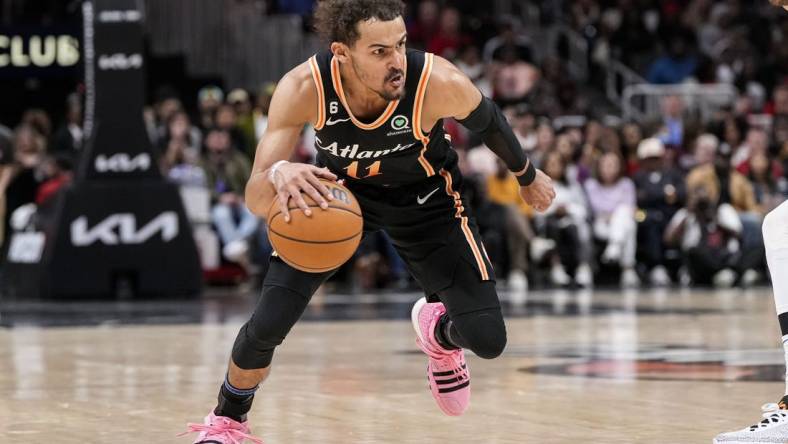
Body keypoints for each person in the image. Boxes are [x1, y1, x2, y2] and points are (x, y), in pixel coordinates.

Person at [182, 1, 555, 442]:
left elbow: (489, 120)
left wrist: (527, 176)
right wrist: (280, 173)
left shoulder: (435, 80)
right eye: (379, 52)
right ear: (342, 53)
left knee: (488, 339)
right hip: (337, 195)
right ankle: (227, 421)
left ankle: (437, 333)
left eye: (400, 45)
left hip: (426, 199)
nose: (396, 60)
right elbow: (255, 197)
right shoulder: (305, 85)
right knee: (267, 323)